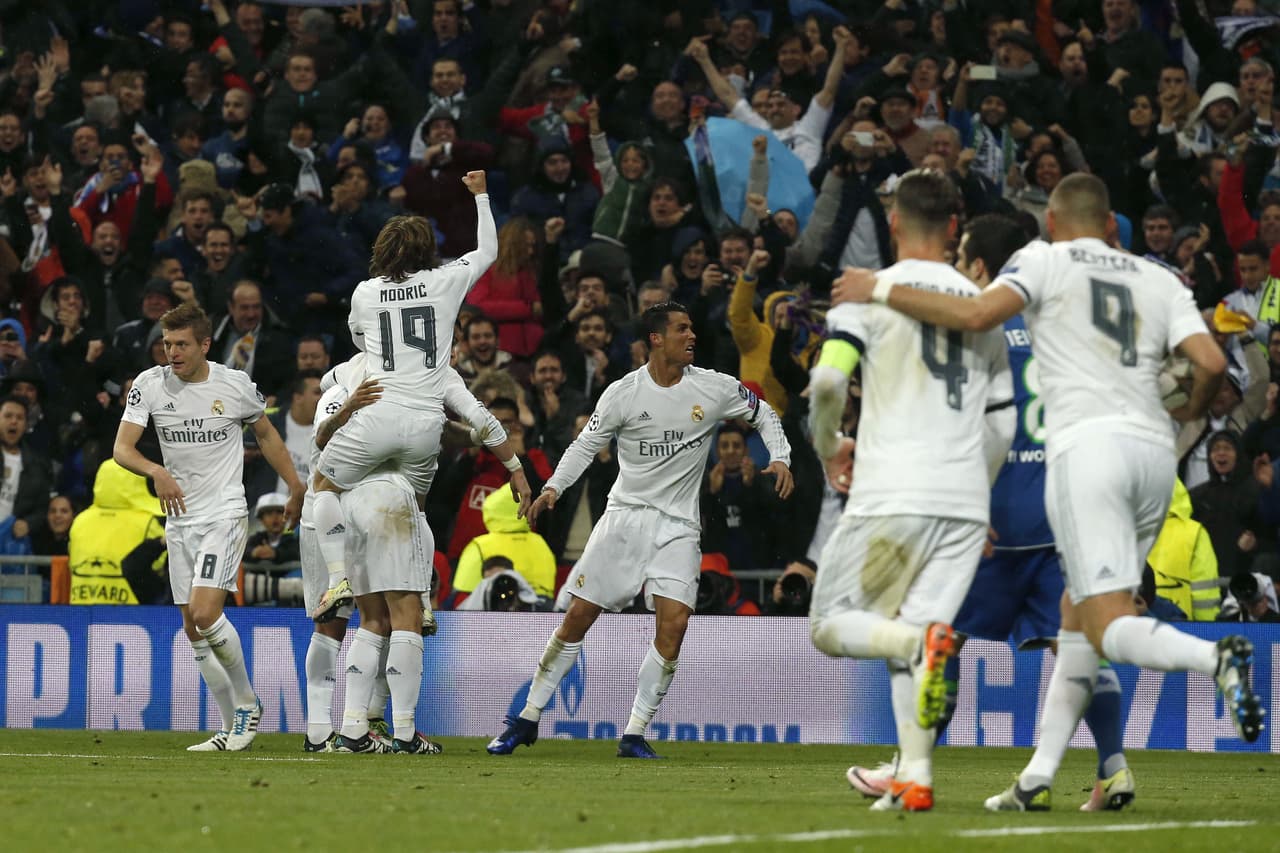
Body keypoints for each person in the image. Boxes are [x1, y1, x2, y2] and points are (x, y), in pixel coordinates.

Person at [834, 172, 1265, 810]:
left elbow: (979, 374)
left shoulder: (1032, 277)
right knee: (1079, 623)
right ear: (1113, 222)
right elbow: (1208, 363)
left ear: (1054, 225)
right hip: (1152, 459)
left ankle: (1214, 659)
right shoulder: (1159, 278)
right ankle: (1057, 775)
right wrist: (1188, 412)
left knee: (1058, 622)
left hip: (1058, 478)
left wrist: (881, 289)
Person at [843, 213, 1136, 812]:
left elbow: (976, 423)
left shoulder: (975, 325)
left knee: (933, 635)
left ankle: (908, 767)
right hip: (1060, 517)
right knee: (1075, 645)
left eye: (965, 258)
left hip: (992, 517)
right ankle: (1113, 769)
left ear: (981, 266)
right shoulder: (1065, 326)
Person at [486, 301, 793, 759]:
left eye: (692, 328)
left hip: (679, 527)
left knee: (676, 622)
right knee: (577, 618)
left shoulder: (713, 387)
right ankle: (526, 718)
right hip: (624, 520)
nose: (692, 336)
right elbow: (586, 444)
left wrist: (780, 455)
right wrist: (552, 489)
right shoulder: (623, 393)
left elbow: (763, 412)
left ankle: (633, 733)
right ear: (656, 338)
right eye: (682, 329)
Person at [806, 171, 1015, 813]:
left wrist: (829, 446)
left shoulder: (865, 293)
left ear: (893, 222)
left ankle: (912, 649)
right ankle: (914, 778)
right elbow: (1003, 422)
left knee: (833, 625)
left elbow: (826, 385)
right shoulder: (980, 305)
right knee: (921, 628)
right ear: (955, 227)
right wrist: (974, 495)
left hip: (891, 491)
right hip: (961, 502)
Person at [310, 170, 515, 621]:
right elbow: (489, 252)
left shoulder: (365, 292)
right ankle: (421, 599)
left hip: (380, 411)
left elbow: (362, 340)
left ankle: (339, 578)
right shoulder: (446, 280)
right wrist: (481, 195)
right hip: (426, 425)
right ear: (428, 250)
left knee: (323, 485)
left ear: (382, 250)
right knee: (416, 508)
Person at [113, 303, 305, 752]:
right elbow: (122, 449)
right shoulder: (149, 385)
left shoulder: (233, 385)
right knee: (192, 628)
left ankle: (247, 704)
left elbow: (268, 435)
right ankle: (228, 726)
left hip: (224, 512)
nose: (172, 352)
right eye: (167, 344)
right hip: (180, 519)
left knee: (204, 613)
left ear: (204, 344)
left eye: (181, 344)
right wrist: (156, 471)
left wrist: (295, 485)